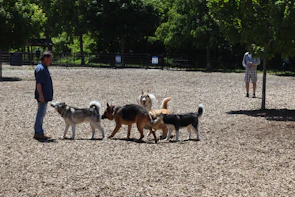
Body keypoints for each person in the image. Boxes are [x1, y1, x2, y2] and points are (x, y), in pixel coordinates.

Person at [33, 51, 54, 140]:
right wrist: (41, 95)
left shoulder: (43, 68)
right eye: (49, 59)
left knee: (42, 113)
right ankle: (38, 132)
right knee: (40, 113)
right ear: (45, 59)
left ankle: (39, 131)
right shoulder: (41, 69)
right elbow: (39, 84)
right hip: (42, 96)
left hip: (45, 96)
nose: (50, 61)